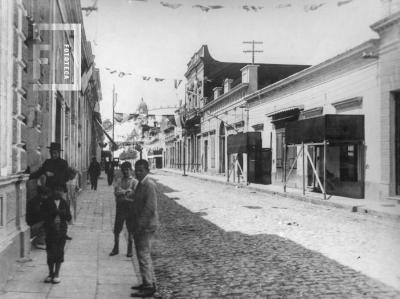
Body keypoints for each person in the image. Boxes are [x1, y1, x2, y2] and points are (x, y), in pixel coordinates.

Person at [29, 142, 72, 240]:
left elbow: (64, 178)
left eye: (56, 152)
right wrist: (29, 176)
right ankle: (49, 234)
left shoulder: (63, 163)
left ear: (59, 153)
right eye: (52, 152)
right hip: (49, 191)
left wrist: (52, 175)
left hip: (60, 191)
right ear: (50, 152)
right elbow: (40, 172)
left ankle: (63, 233)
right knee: (49, 212)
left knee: (63, 212)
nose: (54, 154)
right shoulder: (47, 162)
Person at [130, 159, 159, 298]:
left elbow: (150, 208)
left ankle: (148, 286)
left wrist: (140, 225)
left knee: (143, 255)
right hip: (140, 224)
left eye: (141, 170)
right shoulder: (140, 184)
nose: (138, 173)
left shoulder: (149, 185)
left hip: (146, 226)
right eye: (136, 170)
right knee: (142, 254)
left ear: (147, 170)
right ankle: (147, 281)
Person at [40, 186, 72, 284]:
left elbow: (69, 217)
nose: (58, 192)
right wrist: (54, 212)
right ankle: (50, 273)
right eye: (56, 190)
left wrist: (61, 213)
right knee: (50, 253)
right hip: (50, 231)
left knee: (59, 252)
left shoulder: (64, 202)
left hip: (61, 231)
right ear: (53, 191)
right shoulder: (47, 202)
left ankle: (57, 274)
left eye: (60, 190)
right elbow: (42, 215)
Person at [109, 161, 138, 257]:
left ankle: (130, 250)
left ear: (131, 170)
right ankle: (116, 248)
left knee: (130, 229)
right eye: (124, 170)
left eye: (127, 169)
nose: (126, 171)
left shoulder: (134, 182)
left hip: (131, 208)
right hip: (120, 208)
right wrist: (126, 192)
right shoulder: (119, 180)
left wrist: (123, 193)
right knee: (117, 229)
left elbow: (134, 194)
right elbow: (116, 191)